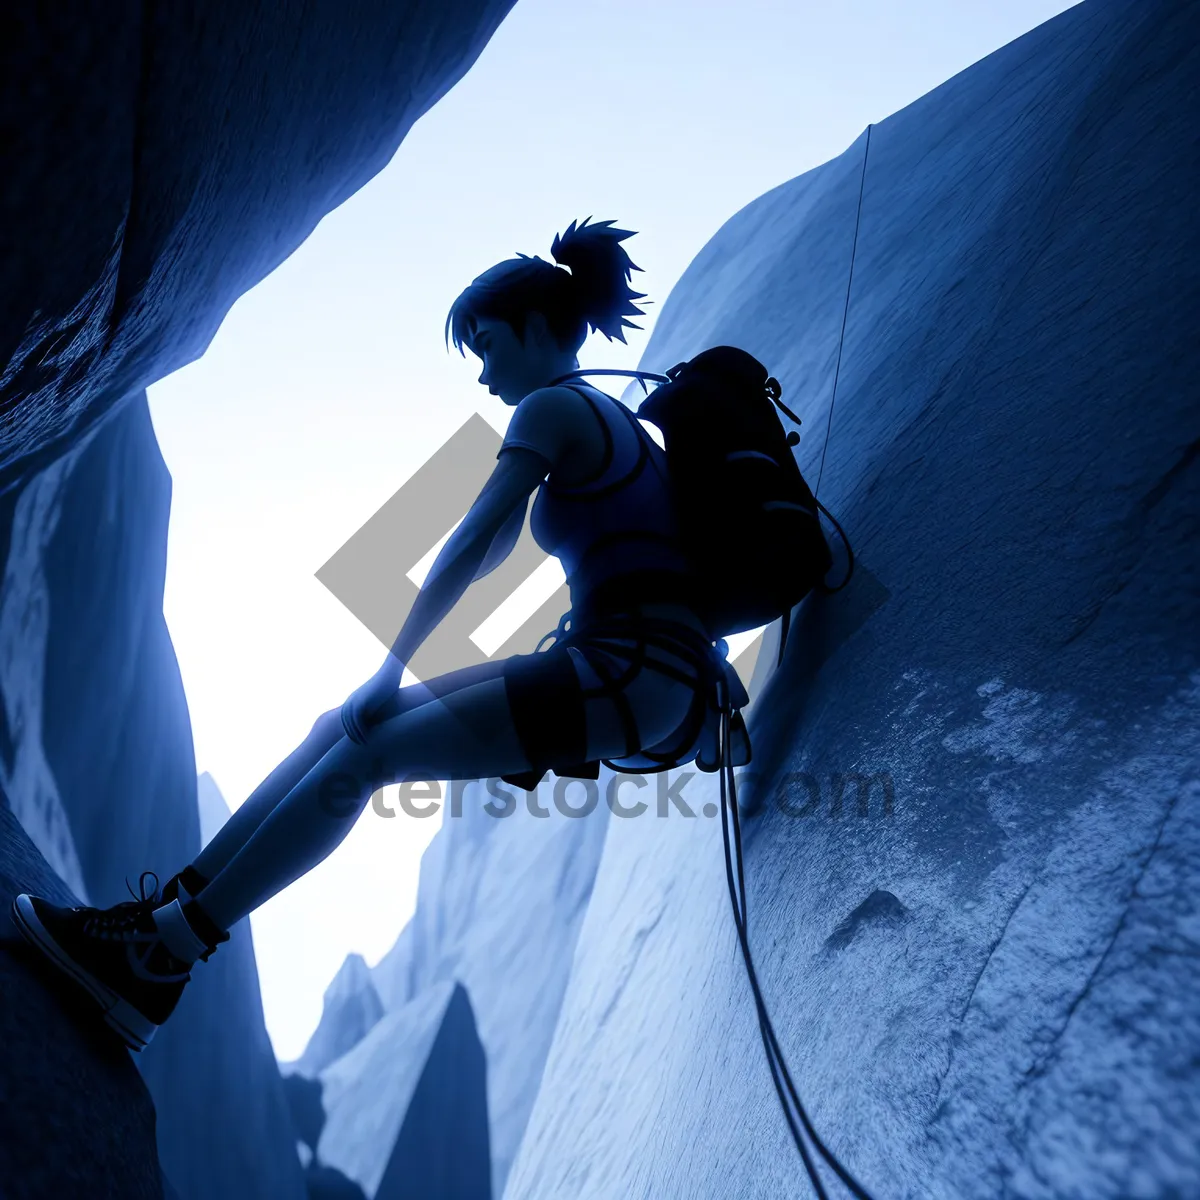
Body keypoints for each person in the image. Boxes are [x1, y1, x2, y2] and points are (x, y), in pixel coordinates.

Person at [11, 217, 731, 1051]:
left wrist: (391, 668)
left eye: (490, 347)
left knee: (366, 753)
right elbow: (499, 546)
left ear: (536, 330)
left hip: (630, 672)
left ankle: (163, 953)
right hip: (645, 674)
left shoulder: (550, 408)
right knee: (336, 733)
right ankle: (160, 918)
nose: (488, 377)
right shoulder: (613, 420)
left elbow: (466, 543)